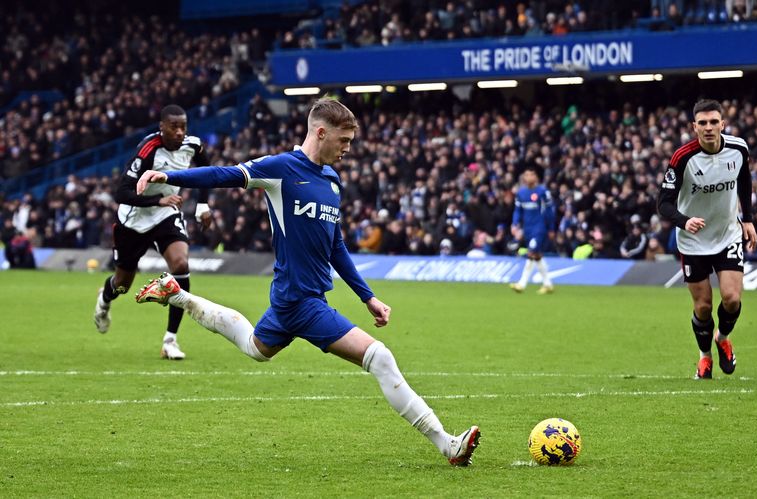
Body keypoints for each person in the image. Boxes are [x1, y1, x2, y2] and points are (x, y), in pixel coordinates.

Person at [133, 97, 480, 466]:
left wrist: (368, 297)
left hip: (292, 298)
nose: (347, 149)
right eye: (343, 141)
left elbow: (336, 245)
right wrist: (169, 176)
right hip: (302, 302)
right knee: (380, 358)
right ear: (321, 132)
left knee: (255, 347)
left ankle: (179, 296)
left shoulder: (332, 180)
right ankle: (447, 444)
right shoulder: (281, 168)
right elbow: (225, 174)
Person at [93, 104, 213, 360]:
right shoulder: (147, 150)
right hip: (134, 220)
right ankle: (104, 299)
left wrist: (202, 205)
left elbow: (207, 171)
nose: (180, 132)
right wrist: (157, 201)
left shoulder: (193, 145)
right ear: (162, 127)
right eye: (174, 127)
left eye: (183, 126)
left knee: (180, 265)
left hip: (166, 215)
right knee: (123, 285)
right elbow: (122, 193)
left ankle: (171, 340)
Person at [657, 98, 757, 380]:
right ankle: (704, 358)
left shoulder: (738, 148)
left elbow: (745, 180)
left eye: (714, 122)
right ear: (694, 127)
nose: (709, 127)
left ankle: (722, 337)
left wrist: (747, 218)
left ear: (722, 124)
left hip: (727, 235)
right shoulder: (682, 158)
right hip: (693, 241)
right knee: (702, 306)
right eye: (703, 123)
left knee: (732, 298)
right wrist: (684, 221)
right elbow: (663, 203)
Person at [509, 167, 555, 294]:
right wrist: (514, 224)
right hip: (527, 228)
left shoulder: (543, 192)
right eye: (526, 174)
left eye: (531, 174)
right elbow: (517, 210)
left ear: (536, 177)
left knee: (531, 252)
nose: (528, 177)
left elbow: (550, 211)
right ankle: (548, 284)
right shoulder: (521, 193)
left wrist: (551, 228)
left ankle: (522, 284)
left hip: (539, 227)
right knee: (537, 255)